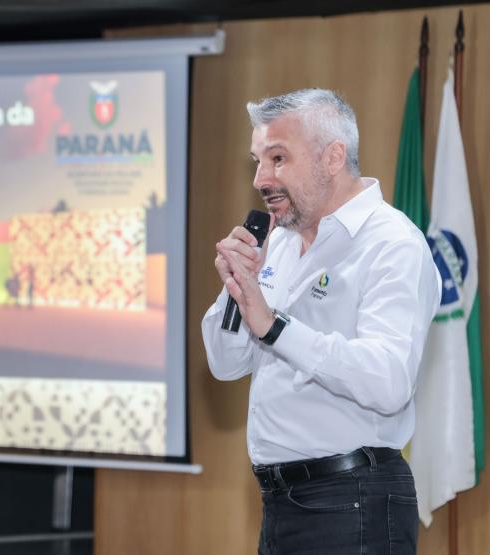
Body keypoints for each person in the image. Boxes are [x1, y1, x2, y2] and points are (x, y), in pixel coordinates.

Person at [201, 89, 441, 554]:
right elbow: (225, 364)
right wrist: (236, 286)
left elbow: (388, 380)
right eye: (257, 161)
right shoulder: (281, 242)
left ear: (332, 157)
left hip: (354, 501)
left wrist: (275, 326)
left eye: (277, 159)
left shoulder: (391, 244)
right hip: (279, 503)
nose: (260, 178)